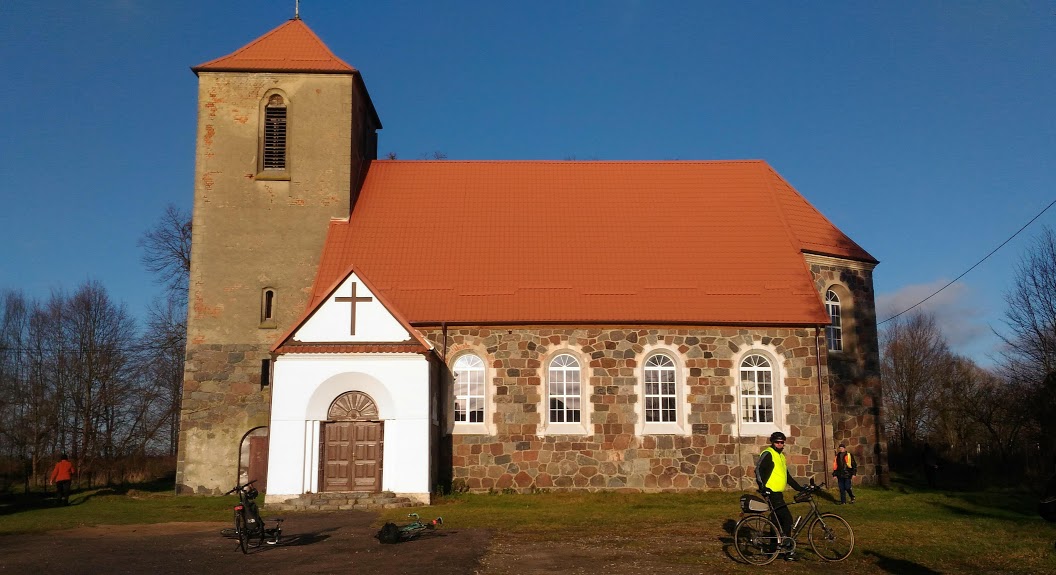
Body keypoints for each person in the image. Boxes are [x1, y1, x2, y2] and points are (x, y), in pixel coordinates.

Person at [756, 431, 806, 561]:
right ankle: (788, 550)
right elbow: (758, 470)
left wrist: (799, 488)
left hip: (778, 493)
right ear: (772, 442)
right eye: (777, 442)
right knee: (787, 519)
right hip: (771, 492)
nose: (779, 444)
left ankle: (773, 549)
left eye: (782, 442)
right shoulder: (768, 453)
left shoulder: (781, 456)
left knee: (776, 521)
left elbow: (787, 476)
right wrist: (763, 488)